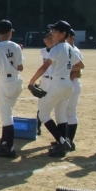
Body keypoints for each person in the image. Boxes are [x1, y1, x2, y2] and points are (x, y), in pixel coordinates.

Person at [27, 20, 75, 157]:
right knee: (60, 116)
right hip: (68, 84)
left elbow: (44, 67)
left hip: (57, 83)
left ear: (63, 33)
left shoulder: (57, 48)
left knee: (43, 114)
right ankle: (62, 145)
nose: (53, 33)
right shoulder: (70, 48)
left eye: (56, 31)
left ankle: (62, 141)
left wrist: (31, 81)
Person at [0, 20, 24, 158]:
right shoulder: (16, 46)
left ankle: (9, 146)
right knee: (8, 112)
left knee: (6, 115)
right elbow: (20, 67)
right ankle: (3, 142)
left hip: (5, 81)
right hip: (17, 80)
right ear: (10, 32)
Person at [65, 29, 84, 148]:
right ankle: (64, 138)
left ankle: (70, 140)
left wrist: (65, 71)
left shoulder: (74, 50)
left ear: (72, 38)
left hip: (72, 83)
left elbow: (79, 69)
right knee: (64, 112)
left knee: (70, 112)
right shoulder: (66, 49)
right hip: (67, 83)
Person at [35, 31, 54, 136]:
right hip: (45, 79)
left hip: (54, 79)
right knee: (41, 104)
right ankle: (37, 126)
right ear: (44, 40)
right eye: (47, 39)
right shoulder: (43, 51)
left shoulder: (57, 50)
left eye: (51, 38)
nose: (49, 41)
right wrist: (41, 81)